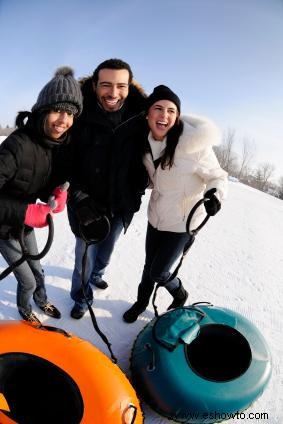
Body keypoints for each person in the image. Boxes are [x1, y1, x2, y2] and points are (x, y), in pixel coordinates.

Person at [122, 85, 228, 323]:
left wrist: (215, 195)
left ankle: (179, 292)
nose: (164, 115)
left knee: (159, 271)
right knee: (149, 266)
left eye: (171, 110)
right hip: (156, 216)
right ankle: (141, 302)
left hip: (182, 222)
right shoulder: (145, 144)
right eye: (158, 108)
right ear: (148, 114)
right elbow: (157, 179)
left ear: (177, 116)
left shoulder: (194, 146)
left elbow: (217, 176)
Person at [0, 66, 83, 323]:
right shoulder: (17, 145)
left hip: (25, 226)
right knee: (25, 279)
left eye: (70, 113)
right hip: (4, 228)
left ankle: (42, 299)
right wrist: (25, 211)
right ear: (43, 110)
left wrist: (56, 192)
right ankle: (26, 309)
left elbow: (36, 180)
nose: (63, 120)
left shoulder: (52, 145)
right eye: (58, 110)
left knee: (37, 270)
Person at [67, 58, 147, 319]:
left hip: (121, 204)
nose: (113, 93)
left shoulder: (141, 117)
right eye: (106, 85)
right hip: (87, 204)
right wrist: (79, 198)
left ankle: (98, 275)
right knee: (84, 258)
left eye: (120, 86)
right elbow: (65, 160)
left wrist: (135, 193)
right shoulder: (77, 115)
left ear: (129, 87)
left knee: (107, 251)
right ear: (94, 85)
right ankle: (81, 297)